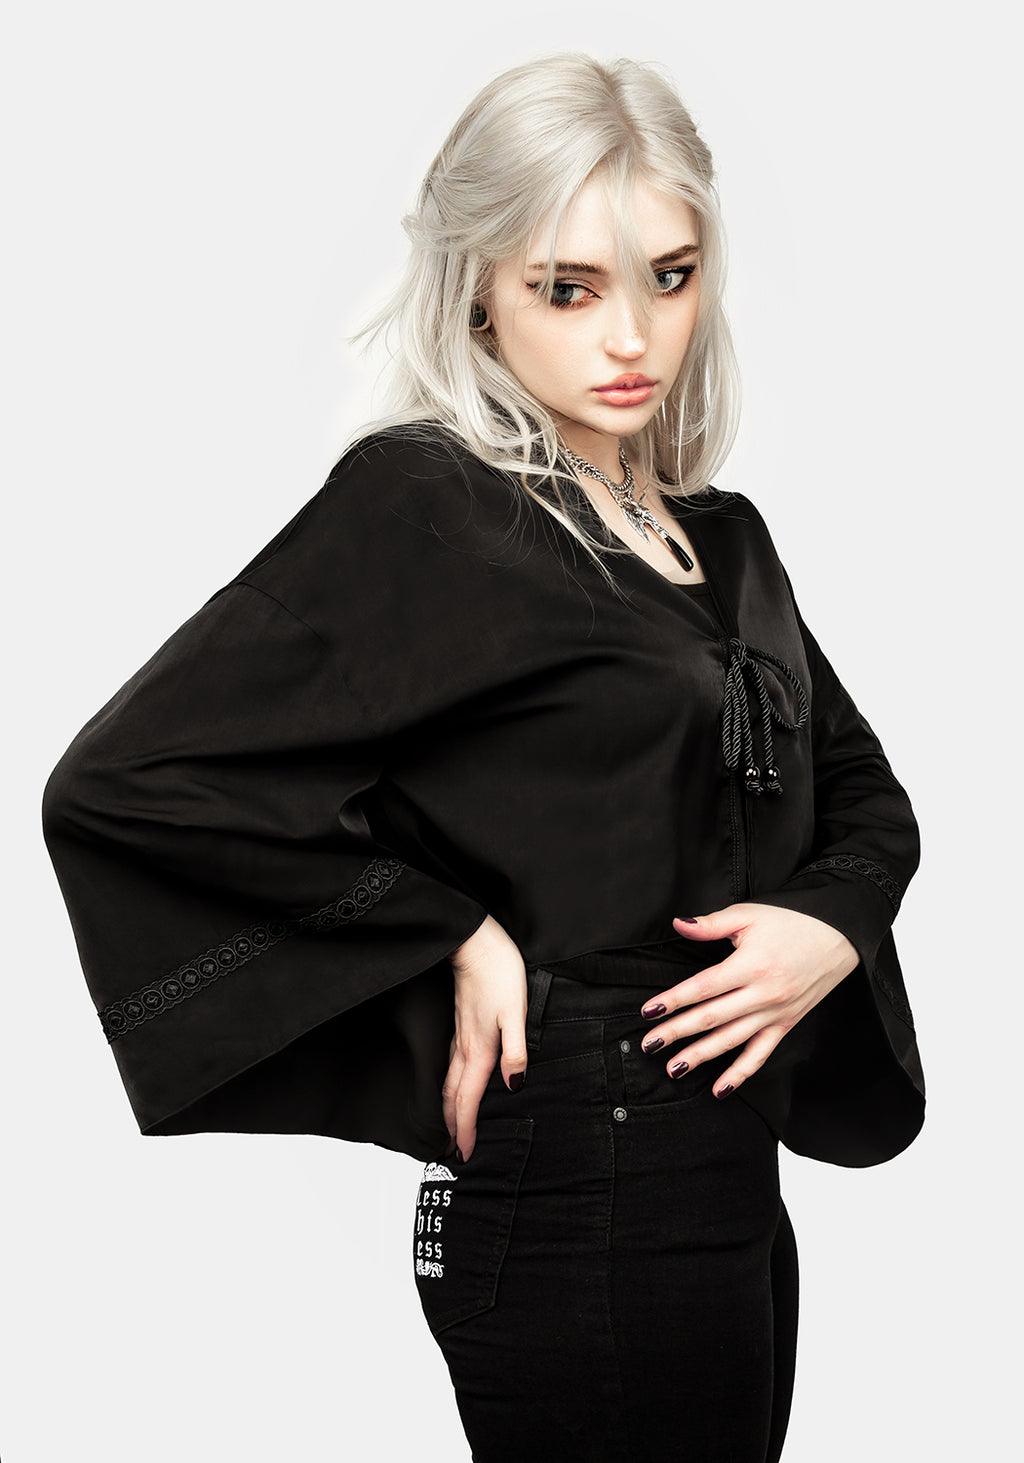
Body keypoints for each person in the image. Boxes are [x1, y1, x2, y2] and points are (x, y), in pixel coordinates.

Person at [41, 52, 924, 1463]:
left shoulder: (723, 538)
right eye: (567, 288)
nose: (631, 335)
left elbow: (867, 794)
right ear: (478, 293)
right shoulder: (429, 504)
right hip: (575, 1158)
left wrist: (832, 922)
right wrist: (447, 929)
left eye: (670, 276)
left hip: (724, 1160)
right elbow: (133, 781)